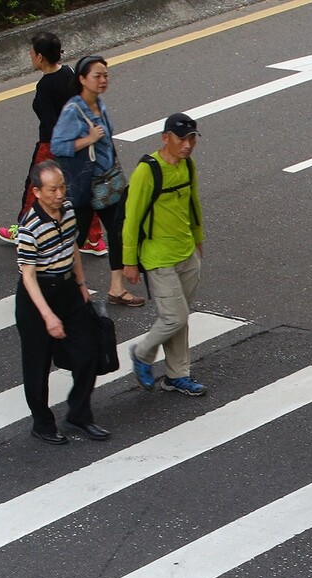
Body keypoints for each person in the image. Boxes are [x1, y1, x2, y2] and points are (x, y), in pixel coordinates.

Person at [0, 32, 117, 268]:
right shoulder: (69, 73)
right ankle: (94, 238)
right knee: (82, 189)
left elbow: (51, 123)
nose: (30, 57)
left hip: (52, 145)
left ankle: (24, 230)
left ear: (40, 57)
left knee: (36, 187)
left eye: (31, 54)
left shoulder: (45, 86)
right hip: (81, 141)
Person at [15, 160, 111, 446]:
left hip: (68, 289)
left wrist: (82, 285)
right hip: (38, 297)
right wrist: (48, 317)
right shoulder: (29, 227)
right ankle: (42, 424)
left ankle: (79, 414)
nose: (59, 194)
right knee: (37, 365)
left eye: (62, 187)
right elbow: (28, 276)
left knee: (89, 352)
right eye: (52, 189)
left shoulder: (68, 211)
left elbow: (73, 247)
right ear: (36, 192)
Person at [122, 112, 207, 396]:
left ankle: (177, 375)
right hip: (158, 257)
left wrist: (198, 238)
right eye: (182, 139)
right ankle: (142, 354)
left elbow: (193, 203)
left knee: (180, 317)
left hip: (186, 253)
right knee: (175, 317)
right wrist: (129, 261)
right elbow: (131, 219)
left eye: (192, 138)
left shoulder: (187, 166)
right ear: (165, 138)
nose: (188, 145)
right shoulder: (147, 171)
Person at [50, 55, 143, 307]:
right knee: (75, 239)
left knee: (117, 231)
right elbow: (58, 146)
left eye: (105, 75)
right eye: (97, 76)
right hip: (84, 186)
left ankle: (116, 288)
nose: (103, 80)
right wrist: (87, 139)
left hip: (107, 182)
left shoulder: (98, 104)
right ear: (82, 79)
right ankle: (55, 288)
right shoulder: (73, 109)